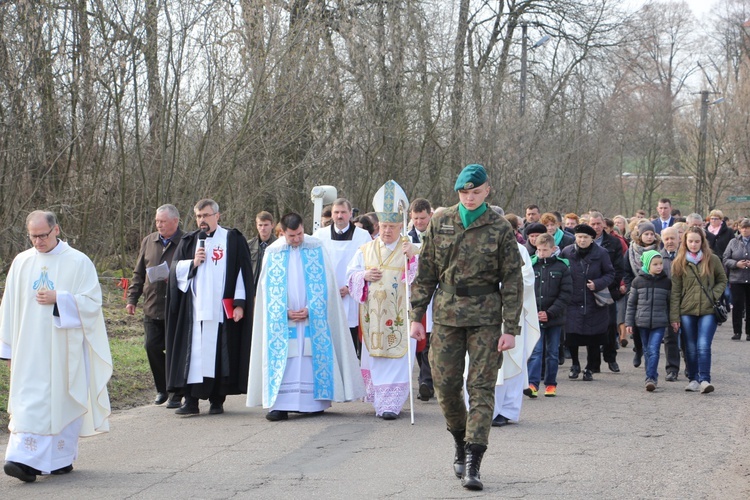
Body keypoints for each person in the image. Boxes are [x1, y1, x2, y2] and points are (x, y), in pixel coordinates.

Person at [410, 164, 523, 491]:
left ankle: (474, 457)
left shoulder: (500, 228)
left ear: (487, 190)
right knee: (444, 385)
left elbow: (513, 281)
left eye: (475, 192)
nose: (470, 198)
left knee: (481, 387)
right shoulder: (441, 222)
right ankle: (459, 438)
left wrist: (510, 327)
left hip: (486, 318)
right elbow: (426, 271)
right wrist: (417, 316)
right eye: (464, 193)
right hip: (446, 316)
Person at [1, 211, 112, 482]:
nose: (38, 241)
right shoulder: (21, 262)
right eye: (33, 236)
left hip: (64, 349)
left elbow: (92, 303)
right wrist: (7, 349)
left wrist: (59, 299)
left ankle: (59, 461)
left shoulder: (78, 262)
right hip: (28, 348)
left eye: (43, 235)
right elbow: (9, 306)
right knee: (29, 401)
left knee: (60, 402)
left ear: (56, 230)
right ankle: (21, 460)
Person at [247, 213, 365, 420]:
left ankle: (313, 403)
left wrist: (312, 308)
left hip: (312, 316)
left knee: (310, 356)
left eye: (300, 233)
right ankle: (280, 405)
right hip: (284, 318)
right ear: (283, 232)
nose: (297, 239)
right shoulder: (273, 252)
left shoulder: (316, 247)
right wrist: (283, 311)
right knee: (287, 357)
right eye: (292, 235)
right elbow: (266, 289)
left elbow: (327, 284)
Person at [165, 199, 253, 416]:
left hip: (222, 311)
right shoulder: (189, 241)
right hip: (194, 312)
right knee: (193, 356)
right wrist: (192, 263)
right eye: (198, 216)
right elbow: (174, 271)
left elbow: (243, 272)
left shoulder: (232, 239)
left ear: (217, 216)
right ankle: (191, 401)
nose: (202, 220)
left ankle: (217, 399)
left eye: (206, 215)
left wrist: (240, 304)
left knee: (220, 355)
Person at [347, 181, 419, 419]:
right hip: (373, 318)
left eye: (392, 226)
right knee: (376, 358)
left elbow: (421, 278)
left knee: (397, 360)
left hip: (398, 316)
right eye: (384, 225)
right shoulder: (365, 250)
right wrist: (363, 276)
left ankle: (392, 405)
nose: (387, 231)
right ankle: (379, 401)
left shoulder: (411, 248)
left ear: (401, 227)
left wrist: (413, 260)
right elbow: (351, 276)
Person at [126, 204, 184, 408]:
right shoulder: (149, 241)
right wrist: (132, 299)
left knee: (175, 351)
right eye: (157, 221)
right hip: (152, 305)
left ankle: (176, 392)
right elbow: (138, 272)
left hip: (176, 307)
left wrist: (176, 277)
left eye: (163, 222)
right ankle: (162, 388)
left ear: (175, 222)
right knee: (151, 347)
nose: (158, 225)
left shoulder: (185, 242)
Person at [670, 226, 727, 394]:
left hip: (708, 309)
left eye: (697, 241)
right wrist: (675, 317)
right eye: (690, 241)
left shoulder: (712, 259)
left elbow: (722, 280)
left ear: (702, 242)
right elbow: (675, 292)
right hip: (687, 310)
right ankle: (693, 379)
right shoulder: (679, 262)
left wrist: (713, 294)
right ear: (685, 242)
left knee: (703, 345)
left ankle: (704, 380)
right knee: (691, 346)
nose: (693, 244)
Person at [313, 198, 372, 358]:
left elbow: (368, 264)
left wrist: (351, 286)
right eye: (336, 212)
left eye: (343, 212)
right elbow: (314, 265)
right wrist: (328, 287)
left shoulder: (363, 236)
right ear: (331, 214)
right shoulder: (320, 236)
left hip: (352, 297)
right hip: (328, 295)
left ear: (350, 214)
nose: (340, 216)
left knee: (350, 340)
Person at [560, 224, 615, 382]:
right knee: (572, 335)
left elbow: (610, 273)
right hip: (573, 300)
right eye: (579, 237)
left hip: (594, 301)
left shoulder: (602, 253)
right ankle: (575, 365)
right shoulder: (567, 252)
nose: (582, 240)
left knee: (594, 338)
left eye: (585, 237)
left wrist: (597, 283)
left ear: (592, 239)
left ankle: (590, 368)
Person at [527, 233, 572, 398]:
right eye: (538, 250)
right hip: (534, 316)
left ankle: (551, 384)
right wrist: (533, 312)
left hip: (554, 317)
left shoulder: (562, 267)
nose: (541, 253)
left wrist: (550, 313)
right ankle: (532, 384)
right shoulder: (531, 265)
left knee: (552, 352)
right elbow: (526, 291)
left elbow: (566, 294)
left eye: (544, 250)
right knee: (536, 351)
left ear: (553, 249)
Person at [625, 250, 671, 392]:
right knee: (646, 350)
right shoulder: (638, 281)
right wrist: (629, 323)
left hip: (659, 322)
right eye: (655, 264)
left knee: (654, 349)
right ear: (647, 264)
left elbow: (670, 303)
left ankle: (651, 378)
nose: (659, 267)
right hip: (642, 322)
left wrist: (672, 320)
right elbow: (631, 304)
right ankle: (650, 375)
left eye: (660, 264)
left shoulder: (666, 282)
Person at [587, 212, 624, 373]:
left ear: (604, 224)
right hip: (589, 289)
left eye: (598, 224)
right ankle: (593, 363)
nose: (596, 227)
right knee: (591, 327)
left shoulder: (614, 243)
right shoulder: (584, 242)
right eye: (593, 224)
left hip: (608, 289)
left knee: (609, 325)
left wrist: (608, 285)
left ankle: (611, 357)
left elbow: (618, 268)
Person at [407, 198, 435, 401]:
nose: (419, 222)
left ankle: (429, 380)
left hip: (437, 293)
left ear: (430, 216)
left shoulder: (439, 236)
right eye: (415, 218)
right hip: (415, 294)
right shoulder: (405, 239)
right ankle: (424, 381)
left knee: (433, 340)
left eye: (422, 218)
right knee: (420, 338)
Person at [659, 226, 682, 381]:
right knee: (670, 337)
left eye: (672, 238)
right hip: (666, 303)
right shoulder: (658, 258)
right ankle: (672, 369)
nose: (670, 241)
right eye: (666, 239)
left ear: (679, 239)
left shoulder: (686, 257)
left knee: (688, 338)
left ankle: (691, 369)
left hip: (686, 302)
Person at [722, 218, 750, 341]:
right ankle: (737, 331)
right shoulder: (733, 242)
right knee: (737, 306)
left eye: (747, 227)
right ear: (738, 228)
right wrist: (736, 264)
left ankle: (749, 332)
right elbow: (725, 259)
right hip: (737, 279)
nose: (745, 230)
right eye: (742, 227)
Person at [247, 211, 277, 293]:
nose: (263, 228)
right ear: (256, 225)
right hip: (252, 290)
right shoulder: (248, 245)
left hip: (271, 289)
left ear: (272, 225)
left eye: (266, 225)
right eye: (260, 225)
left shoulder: (278, 246)